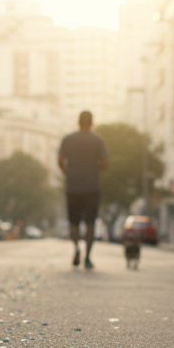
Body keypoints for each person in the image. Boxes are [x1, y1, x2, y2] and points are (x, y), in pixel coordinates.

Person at [57, 110, 109, 269]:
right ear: (92, 122)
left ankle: (76, 248)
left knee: (74, 223)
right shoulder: (98, 140)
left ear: (78, 122)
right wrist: (95, 171)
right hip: (92, 188)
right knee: (90, 223)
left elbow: (60, 160)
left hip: (73, 188)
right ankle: (87, 257)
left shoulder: (68, 139)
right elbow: (105, 163)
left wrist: (68, 173)